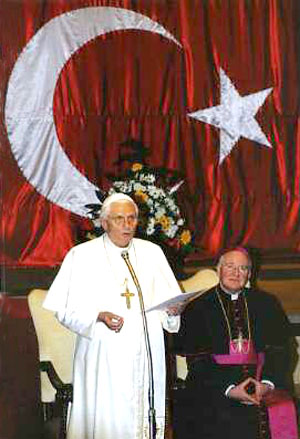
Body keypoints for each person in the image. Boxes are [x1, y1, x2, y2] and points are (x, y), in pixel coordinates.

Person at [43, 193, 183, 439]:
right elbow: (63, 309)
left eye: (131, 218)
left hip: (147, 354)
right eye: (119, 219)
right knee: (106, 420)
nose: (127, 225)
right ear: (104, 223)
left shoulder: (152, 253)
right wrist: (97, 315)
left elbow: (169, 304)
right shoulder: (82, 255)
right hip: (103, 356)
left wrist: (172, 312)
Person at [174, 247, 298, 439]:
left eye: (243, 268)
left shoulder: (267, 303)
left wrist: (266, 383)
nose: (235, 273)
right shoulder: (198, 307)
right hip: (213, 384)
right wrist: (229, 389)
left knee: (284, 407)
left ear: (249, 274)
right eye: (230, 266)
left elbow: (283, 350)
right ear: (218, 269)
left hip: (262, 378)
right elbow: (197, 359)